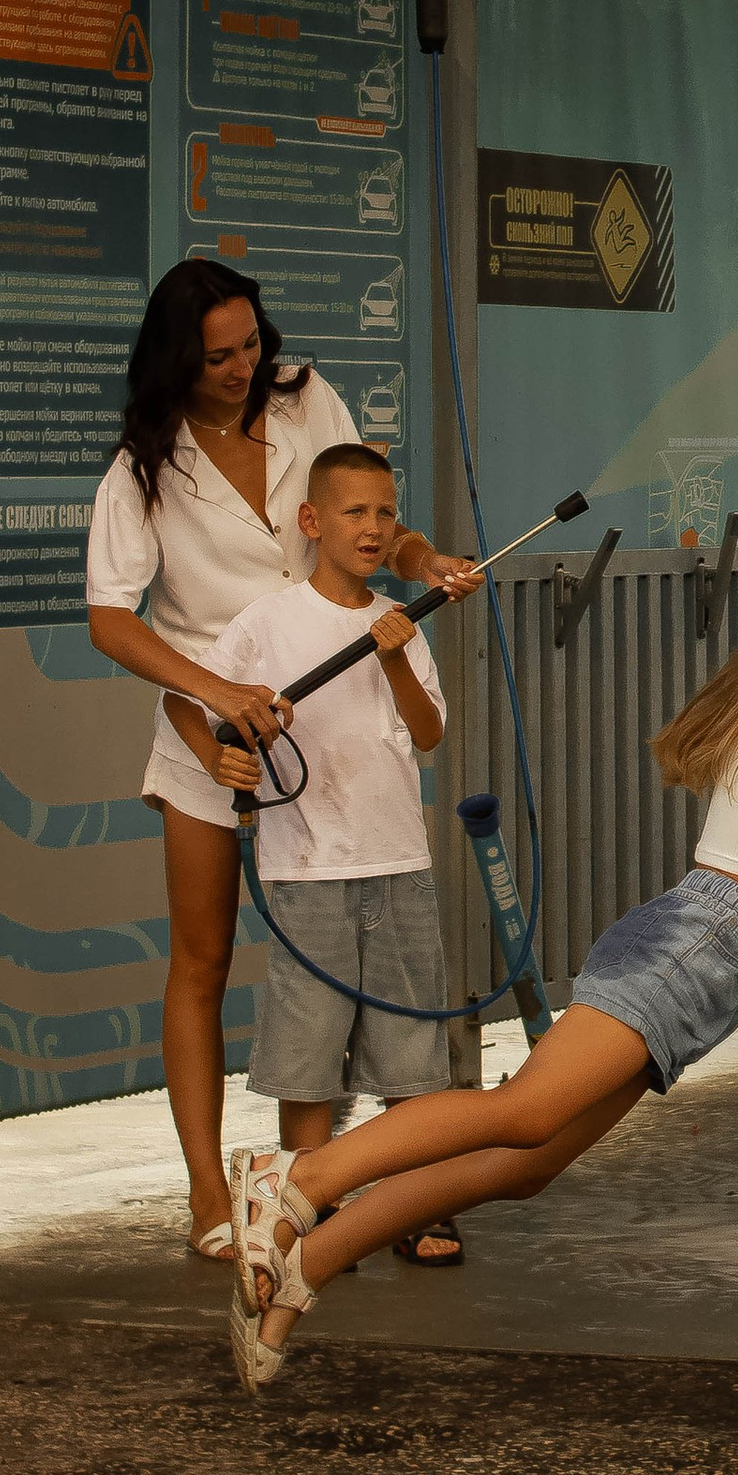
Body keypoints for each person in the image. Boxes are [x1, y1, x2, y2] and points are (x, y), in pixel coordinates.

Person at [221, 496, 738, 1391]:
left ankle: (302, 1270)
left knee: (526, 1167)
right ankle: (295, 1179)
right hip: (693, 946)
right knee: (521, 1115)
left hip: (704, 958)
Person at [84, 258, 479, 1260]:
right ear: (178, 357)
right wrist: (217, 698)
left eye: (250, 344)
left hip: (334, 724)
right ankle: (209, 1194)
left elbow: (364, 510)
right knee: (204, 961)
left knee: (378, 967)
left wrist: (421, 556)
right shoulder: (144, 460)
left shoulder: (305, 399)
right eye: (218, 355)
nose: (242, 367)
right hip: (208, 727)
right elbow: (108, 621)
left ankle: (373, 1191)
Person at [184, 442, 453, 1163]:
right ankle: (306, 1208)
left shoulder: (401, 621)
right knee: (307, 1066)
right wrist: (224, 753)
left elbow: (427, 733)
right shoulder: (267, 622)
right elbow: (189, 699)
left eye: (386, 514)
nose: (372, 528)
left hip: (399, 861)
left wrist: (393, 657)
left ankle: (414, 1209)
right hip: (305, 872)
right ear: (311, 519)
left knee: (412, 1058)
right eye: (354, 511)